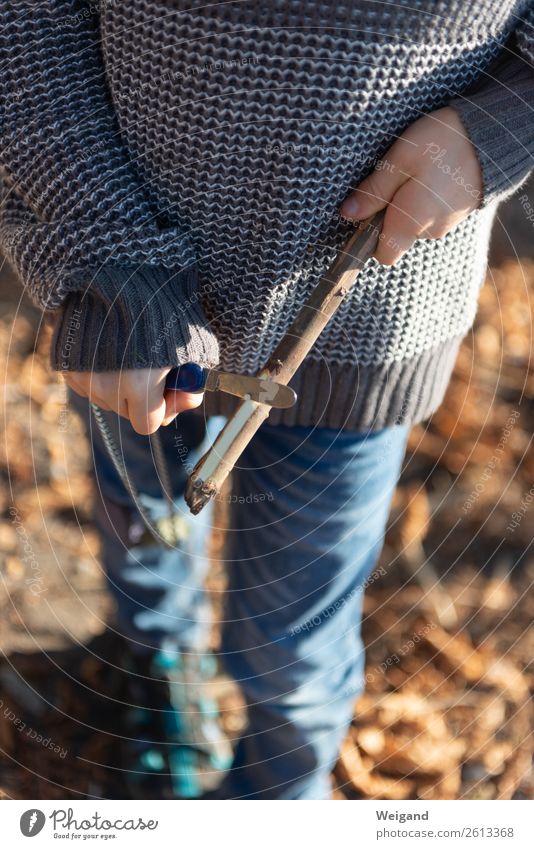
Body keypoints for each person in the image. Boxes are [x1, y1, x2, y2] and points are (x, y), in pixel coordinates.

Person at [1, 0, 533, 800]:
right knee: (141, 513)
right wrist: (109, 253)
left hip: (370, 330)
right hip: (129, 300)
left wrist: (500, 124)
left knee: (294, 641)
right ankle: (155, 667)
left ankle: (278, 792)